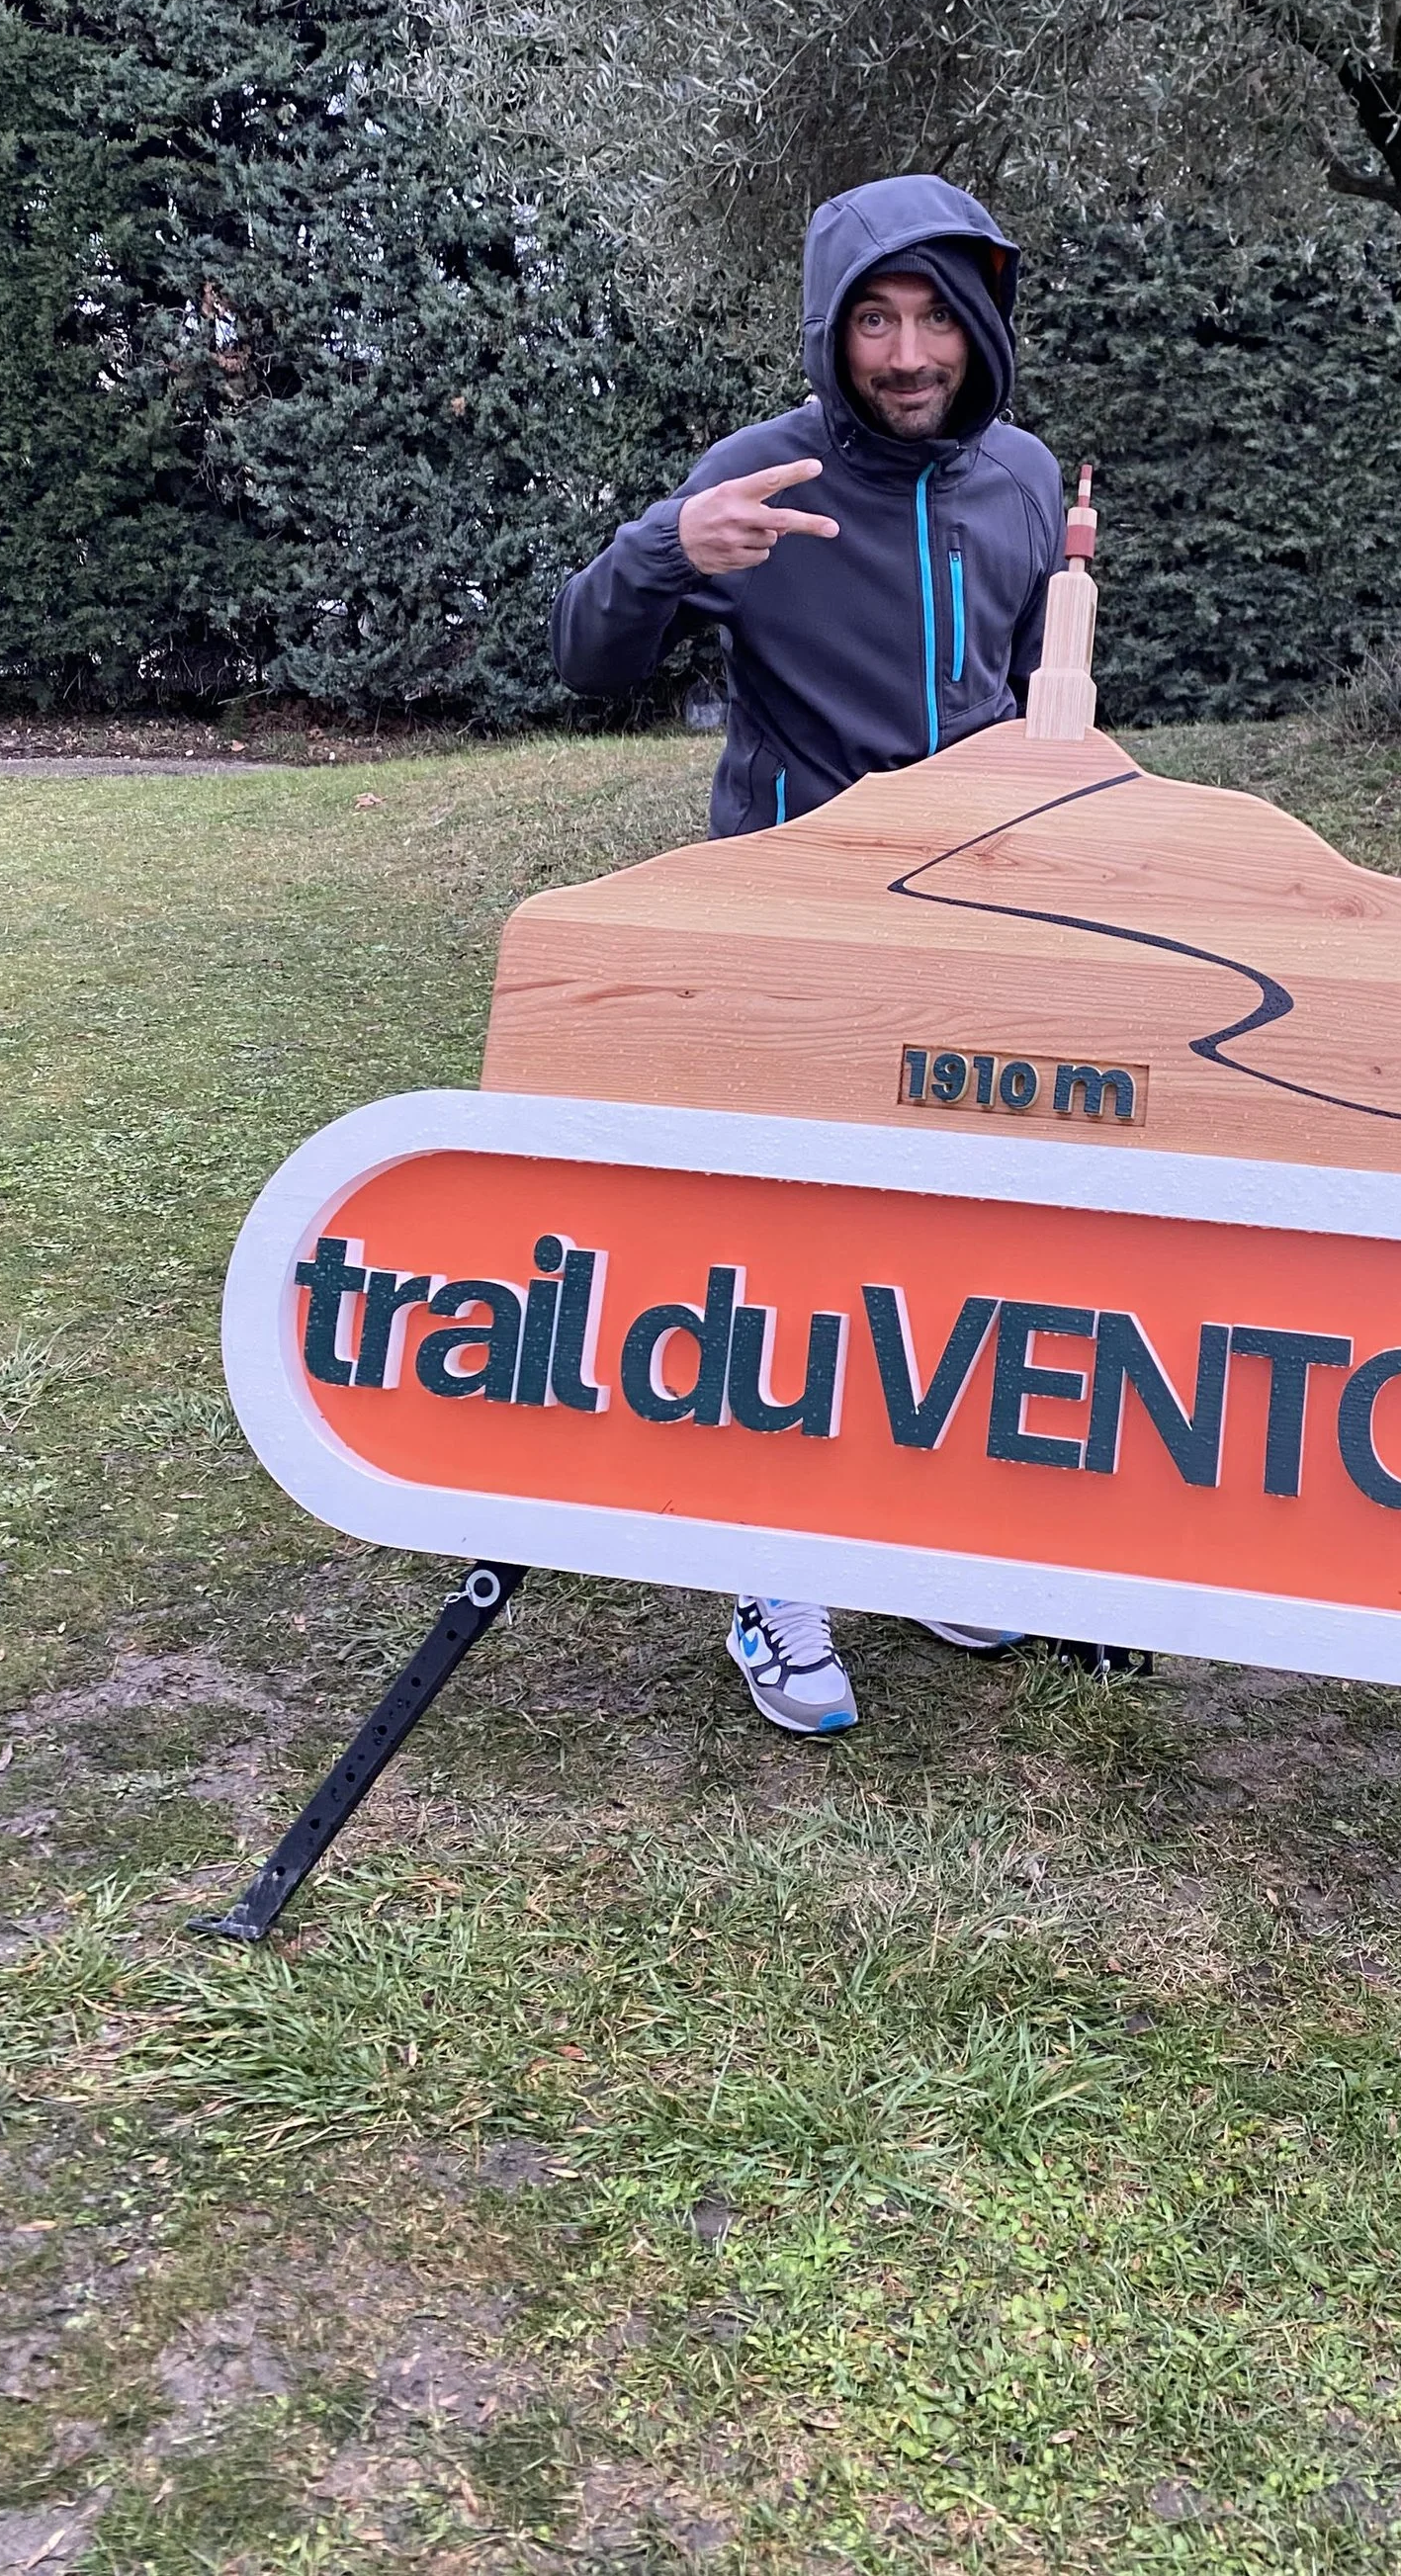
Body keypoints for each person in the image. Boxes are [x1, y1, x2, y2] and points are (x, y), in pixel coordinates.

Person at [554, 171, 1068, 1736]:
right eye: (874, 321)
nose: (908, 356)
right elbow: (585, 660)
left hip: (970, 934)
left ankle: (920, 1537)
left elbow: (1027, 690)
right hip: (789, 931)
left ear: (981, 324)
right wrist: (666, 547)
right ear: (831, 330)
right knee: (784, 1259)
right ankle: (773, 1580)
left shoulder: (1022, 478)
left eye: (936, 319)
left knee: (950, 1248)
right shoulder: (753, 478)